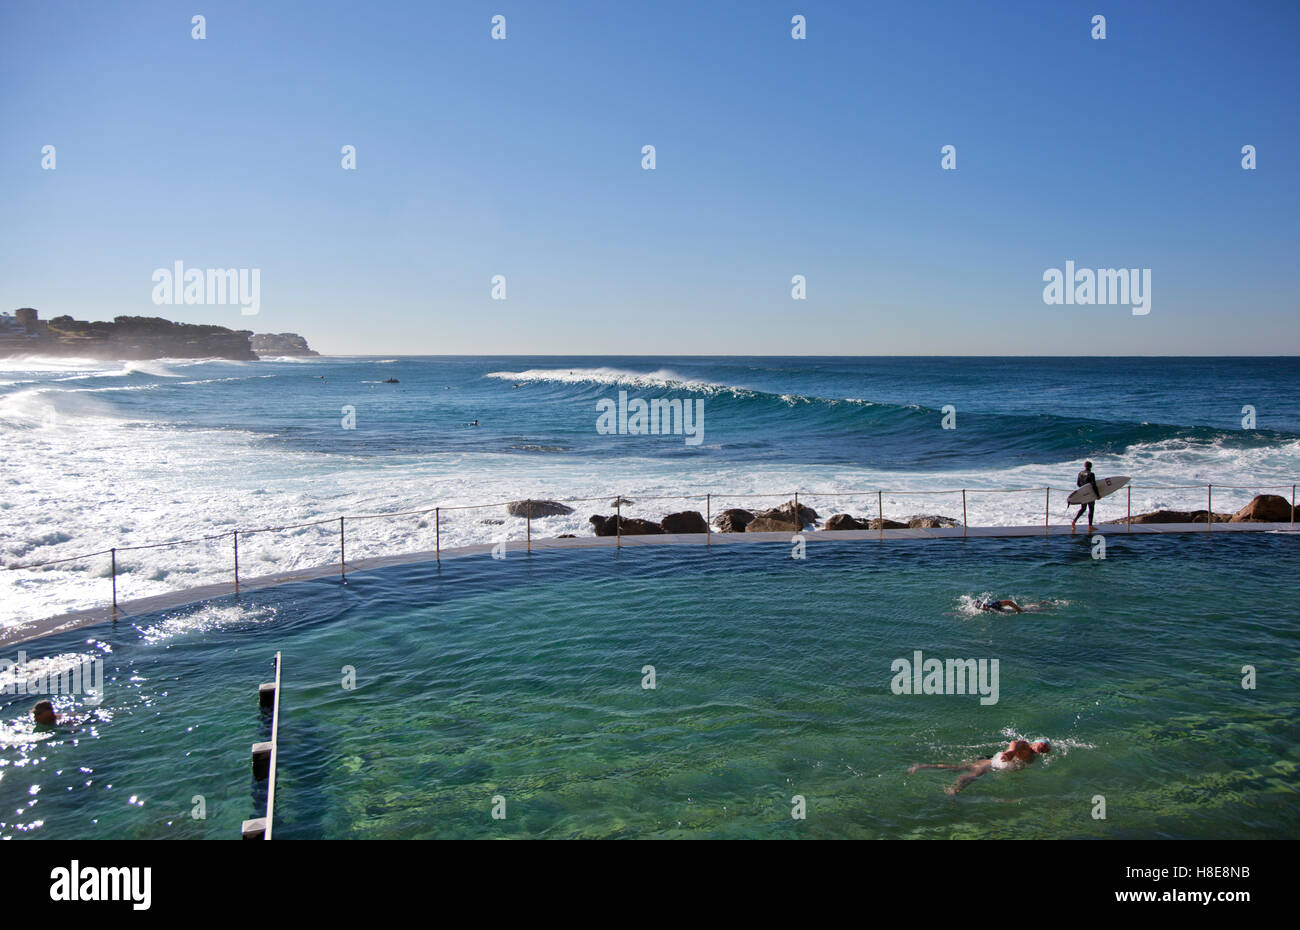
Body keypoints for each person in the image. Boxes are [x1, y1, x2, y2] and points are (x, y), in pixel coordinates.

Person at [908, 739, 1052, 794]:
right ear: (1035, 743)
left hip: (993, 763)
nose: (1044, 748)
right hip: (994, 764)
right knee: (972, 775)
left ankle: (921, 766)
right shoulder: (1026, 747)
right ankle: (953, 791)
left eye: (1046, 748)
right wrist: (1010, 752)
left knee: (957, 767)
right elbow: (1016, 743)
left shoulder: (1033, 757)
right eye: (1043, 744)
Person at [1071, 460, 1100, 534]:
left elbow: (1078, 483)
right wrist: (1097, 495)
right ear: (1091, 466)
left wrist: (1083, 490)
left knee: (1083, 508)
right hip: (1090, 494)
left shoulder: (1080, 473)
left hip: (1083, 493)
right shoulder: (1091, 474)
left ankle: (1074, 521)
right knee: (1091, 509)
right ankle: (1090, 526)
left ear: (1085, 466)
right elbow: (1093, 485)